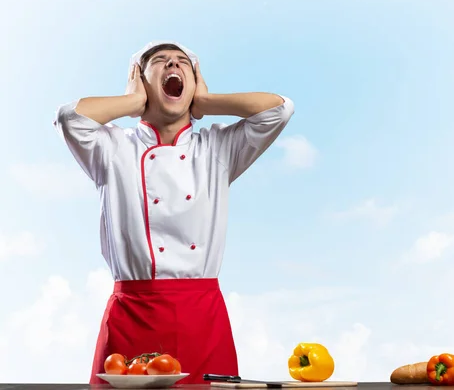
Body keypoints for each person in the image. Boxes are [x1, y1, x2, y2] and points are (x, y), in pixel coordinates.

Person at [53, 41, 294, 384]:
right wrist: (133, 102)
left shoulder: (217, 148)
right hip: (132, 314)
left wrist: (206, 103)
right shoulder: (112, 148)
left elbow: (280, 109)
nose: (173, 66)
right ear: (140, 80)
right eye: (161, 62)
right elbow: (69, 117)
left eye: (183, 63)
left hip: (202, 317)